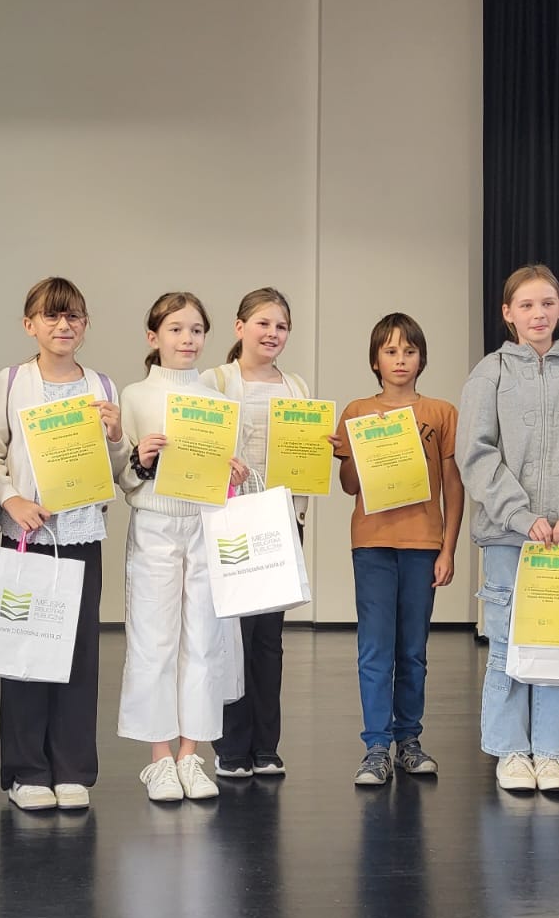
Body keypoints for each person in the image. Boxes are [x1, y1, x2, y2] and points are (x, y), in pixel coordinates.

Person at [456, 265, 559, 793]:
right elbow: (475, 455)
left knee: (558, 645)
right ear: (507, 313)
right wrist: (523, 518)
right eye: (526, 305)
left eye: (547, 303)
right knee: (507, 643)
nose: (538, 314)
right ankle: (510, 751)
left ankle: (550, 755)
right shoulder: (490, 372)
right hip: (510, 537)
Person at [0, 277, 127, 811]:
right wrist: (12, 499)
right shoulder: (12, 380)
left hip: (81, 532)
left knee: (79, 653)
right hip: (27, 532)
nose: (63, 325)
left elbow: (117, 469)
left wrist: (117, 436)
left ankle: (72, 770)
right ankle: (26, 772)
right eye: (52, 316)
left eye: (73, 317)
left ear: (85, 325)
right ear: (30, 325)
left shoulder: (103, 385)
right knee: (25, 649)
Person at [116, 292, 249, 802]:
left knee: (204, 640)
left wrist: (233, 472)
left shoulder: (218, 399)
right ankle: (159, 759)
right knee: (154, 640)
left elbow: (225, 469)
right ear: (154, 337)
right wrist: (141, 459)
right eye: (175, 329)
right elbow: (122, 476)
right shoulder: (134, 396)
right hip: (155, 526)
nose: (187, 339)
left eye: (196, 330)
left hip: (205, 525)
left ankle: (191, 754)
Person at [332, 313, 463, 785]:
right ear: (375, 360)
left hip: (423, 544)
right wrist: (352, 450)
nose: (400, 360)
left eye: (409, 351)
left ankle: (409, 741)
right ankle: (376, 746)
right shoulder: (357, 410)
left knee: (412, 650)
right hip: (371, 543)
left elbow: (453, 484)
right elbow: (349, 485)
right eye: (390, 351)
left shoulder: (441, 412)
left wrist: (448, 550)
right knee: (374, 648)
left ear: (422, 358)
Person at [201, 287, 312, 779]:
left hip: (281, 521)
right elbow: (197, 444)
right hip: (231, 522)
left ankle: (266, 747)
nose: (272, 333)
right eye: (263, 323)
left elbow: (304, 454)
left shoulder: (296, 386)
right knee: (232, 637)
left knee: (269, 638)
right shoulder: (214, 380)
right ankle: (230, 747)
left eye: (281, 326)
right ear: (239, 327)